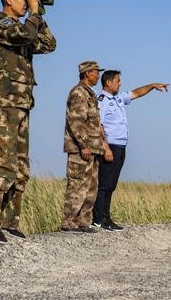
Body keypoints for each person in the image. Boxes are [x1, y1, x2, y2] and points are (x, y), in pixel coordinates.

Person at [0, 0, 56, 243]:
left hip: (22, 106)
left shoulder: (25, 29)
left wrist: (40, 16)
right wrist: (33, 15)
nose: (26, 2)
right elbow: (24, 35)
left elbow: (48, 45)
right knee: (2, 165)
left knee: (20, 168)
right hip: (2, 107)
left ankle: (10, 222)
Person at [94, 70, 169, 231]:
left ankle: (106, 217)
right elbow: (98, 125)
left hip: (121, 146)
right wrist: (106, 148)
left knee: (111, 184)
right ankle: (99, 219)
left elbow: (136, 93)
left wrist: (153, 86)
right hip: (110, 146)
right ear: (108, 82)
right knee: (105, 184)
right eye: (117, 80)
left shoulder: (118, 98)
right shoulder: (102, 101)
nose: (120, 83)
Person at [62, 60, 112, 233]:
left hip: (94, 149)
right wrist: (83, 145)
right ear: (87, 73)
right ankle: (69, 222)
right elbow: (76, 122)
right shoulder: (79, 93)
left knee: (91, 186)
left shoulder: (90, 93)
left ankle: (83, 222)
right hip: (80, 149)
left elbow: (93, 123)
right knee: (77, 185)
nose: (98, 75)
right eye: (96, 72)